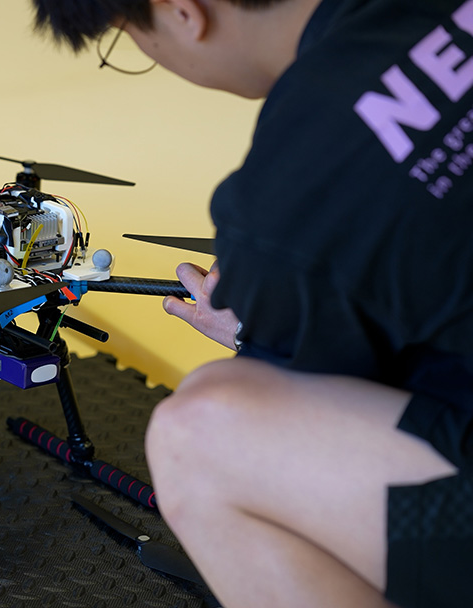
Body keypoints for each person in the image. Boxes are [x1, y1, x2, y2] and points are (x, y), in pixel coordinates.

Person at [33, 0, 472, 606]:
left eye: (129, 38)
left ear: (182, 13)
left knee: (200, 435)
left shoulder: (296, 180)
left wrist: (256, 332)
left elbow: (333, 389)